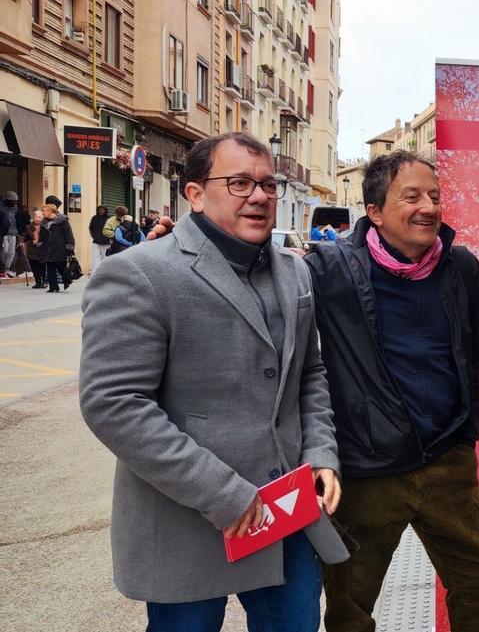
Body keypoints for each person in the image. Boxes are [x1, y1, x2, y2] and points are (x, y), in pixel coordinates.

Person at [78, 131, 349, 631]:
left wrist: (321, 456)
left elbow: (309, 374)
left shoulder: (295, 274)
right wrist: (224, 494)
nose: (260, 196)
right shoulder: (138, 274)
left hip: (287, 518)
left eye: (269, 184)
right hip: (189, 518)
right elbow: (115, 405)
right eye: (240, 183)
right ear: (196, 194)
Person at [305, 150, 479, 632]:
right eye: (411, 196)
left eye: (434, 196)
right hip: (368, 468)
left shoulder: (461, 267)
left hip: (446, 461)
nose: (429, 207)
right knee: (351, 601)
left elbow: (471, 353)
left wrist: (466, 430)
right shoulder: (331, 270)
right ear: (374, 211)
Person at [40, 204, 75, 293]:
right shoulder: (44, 222)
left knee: (61, 265)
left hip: (60, 247)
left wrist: (70, 245)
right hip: (48, 248)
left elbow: (68, 234)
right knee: (50, 266)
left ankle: (67, 279)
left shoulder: (63, 221)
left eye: (44, 211)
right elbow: (42, 235)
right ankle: (53, 287)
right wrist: (40, 243)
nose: (42, 213)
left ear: (50, 211)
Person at [2, 190, 31, 277]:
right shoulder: (1, 207)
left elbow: (20, 221)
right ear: (7, 200)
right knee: (4, 250)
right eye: (13, 201)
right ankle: (2, 268)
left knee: (11, 252)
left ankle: (7, 268)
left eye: (15, 202)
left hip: (13, 232)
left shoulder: (17, 208)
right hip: (3, 233)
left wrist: (21, 233)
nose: (14, 203)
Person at [25, 208, 45, 288]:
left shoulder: (45, 226)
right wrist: (21, 240)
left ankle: (44, 281)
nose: (37, 219)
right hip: (32, 250)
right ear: (33, 217)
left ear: (42, 218)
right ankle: (38, 282)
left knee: (42, 267)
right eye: (36, 217)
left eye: (39, 217)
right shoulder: (28, 227)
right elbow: (26, 236)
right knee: (34, 266)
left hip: (42, 249)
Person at [89, 206, 110, 270]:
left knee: (105, 258)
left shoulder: (109, 219)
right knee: (95, 258)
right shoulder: (94, 218)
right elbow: (91, 228)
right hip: (96, 242)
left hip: (106, 243)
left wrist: (108, 238)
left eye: (102, 210)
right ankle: (95, 272)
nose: (101, 211)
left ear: (105, 211)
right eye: (99, 210)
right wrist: (94, 236)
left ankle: (105, 271)